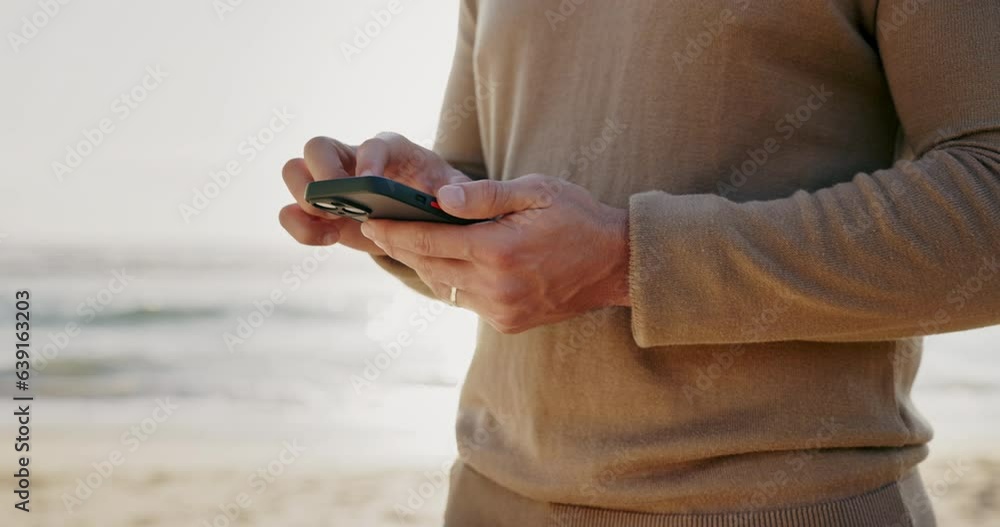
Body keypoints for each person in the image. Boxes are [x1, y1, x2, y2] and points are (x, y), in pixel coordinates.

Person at [279, 1, 1000, 525]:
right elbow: (496, 209)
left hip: (778, 504)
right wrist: (418, 215)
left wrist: (627, 259)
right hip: (487, 497)